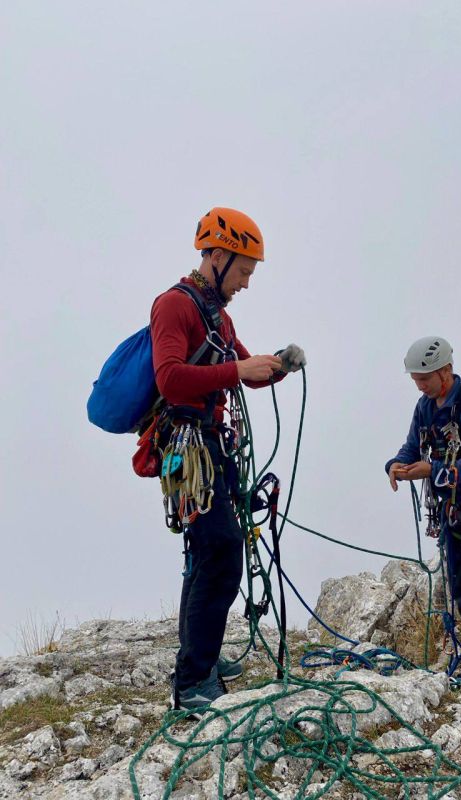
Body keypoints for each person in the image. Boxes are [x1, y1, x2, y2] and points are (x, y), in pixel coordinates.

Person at [150, 207, 306, 712]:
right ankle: (194, 681)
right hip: (189, 446)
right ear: (216, 256)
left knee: (205, 552)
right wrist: (239, 366)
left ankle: (201, 661)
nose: (245, 282)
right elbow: (170, 378)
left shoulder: (217, 315)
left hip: (213, 445)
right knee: (220, 549)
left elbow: (243, 371)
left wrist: (277, 367)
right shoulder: (174, 306)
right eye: (242, 271)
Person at [385, 336, 461, 685]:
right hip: (451, 513)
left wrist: (433, 470)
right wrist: (395, 465)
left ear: (447, 370)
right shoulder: (425, 407)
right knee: (460, 590)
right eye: (416, 379)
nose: (419, 386)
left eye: (425, 378)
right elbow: (411, 448)